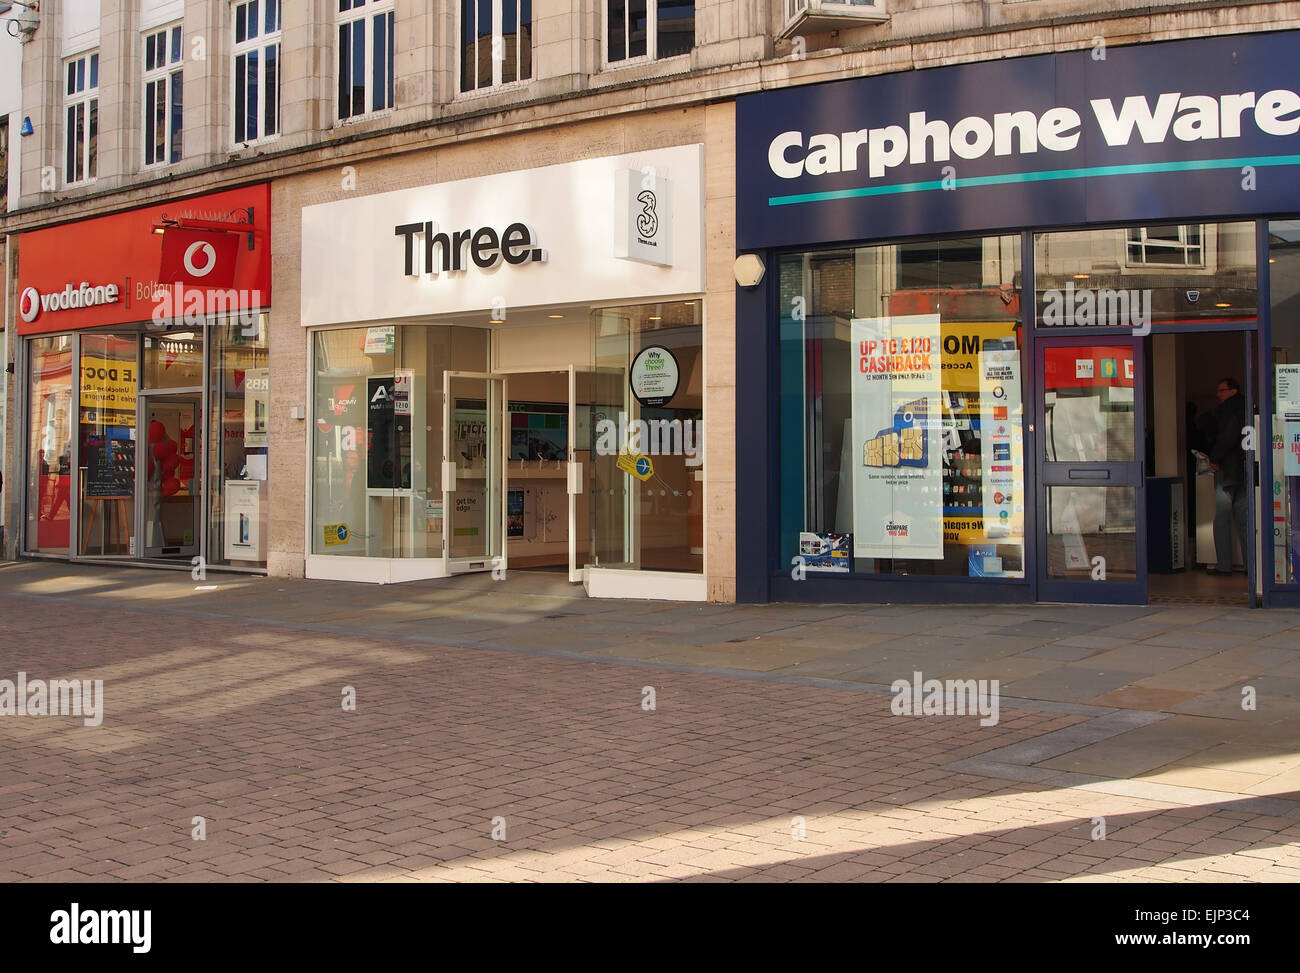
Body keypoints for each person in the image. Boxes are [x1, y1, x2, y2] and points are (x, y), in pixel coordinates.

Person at [1207, 377, 1249, 575]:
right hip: (1246, 470)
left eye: (1222, 390)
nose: (1218, 395)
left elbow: (1227, 437)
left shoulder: (1227, 411)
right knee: (1244, 518)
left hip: (1228, 470)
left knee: (1222, 517)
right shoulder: (1250, 407)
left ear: (1233, 390)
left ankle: (1224, 566)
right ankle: (1252, 566)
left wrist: (1214, 458)